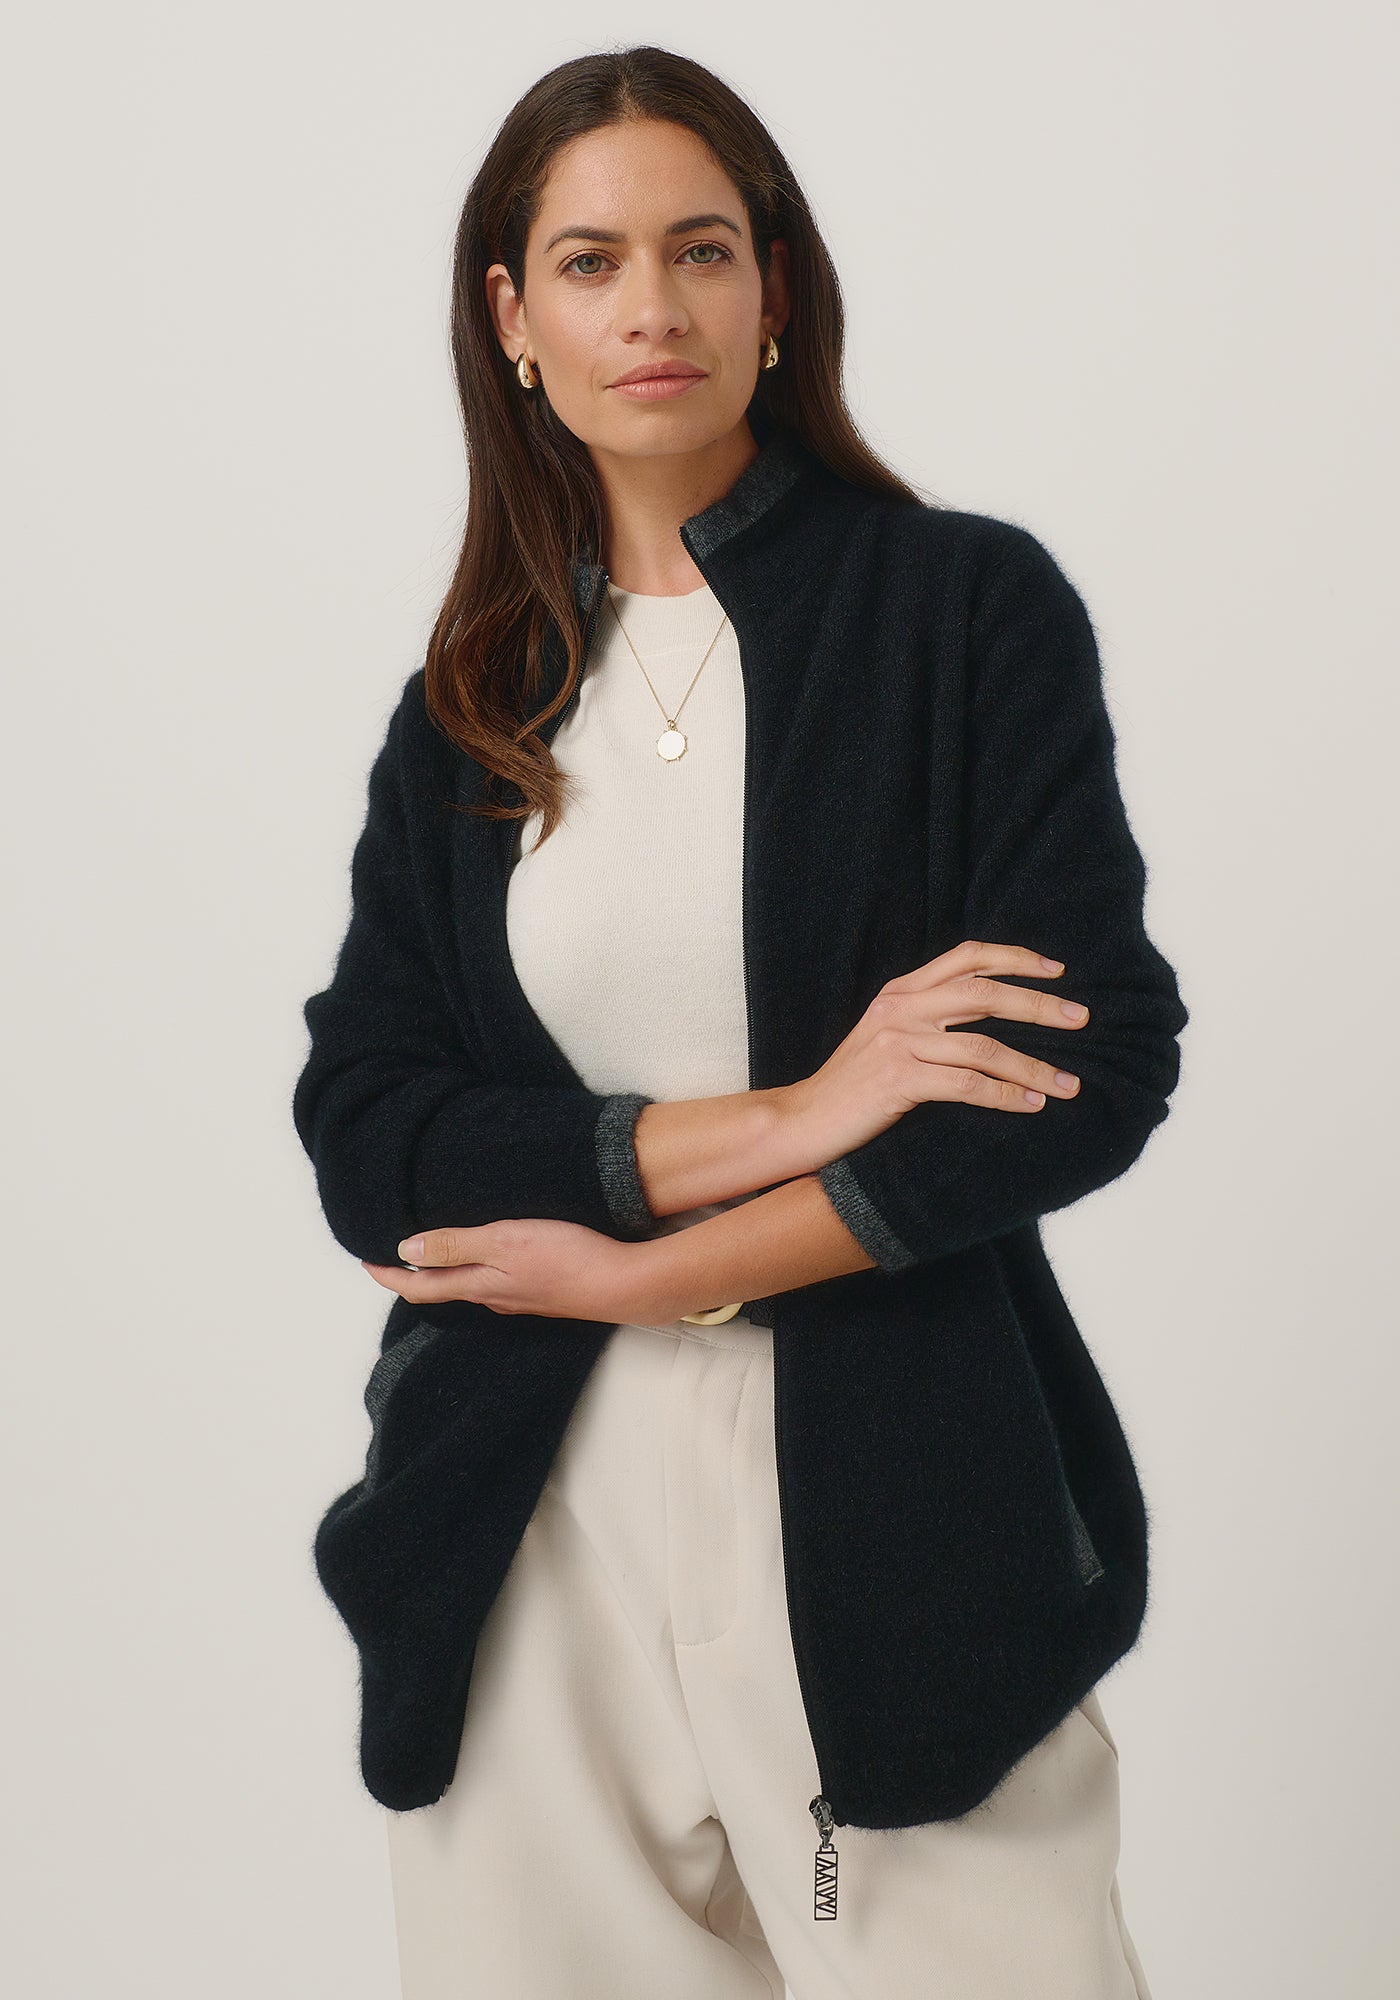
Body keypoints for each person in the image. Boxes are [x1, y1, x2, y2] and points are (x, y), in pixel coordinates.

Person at [293, 44, 1186, 2000]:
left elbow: (1081, 1065)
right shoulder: (475, 703)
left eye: (700, 251)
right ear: (511, 321)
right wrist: (795, 1110)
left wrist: (643, 1274)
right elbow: (369, 1125)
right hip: (528, 1528)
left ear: (774, 291)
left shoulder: (962, 612)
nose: (653, 308)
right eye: (590, 262)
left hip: (898, 1503)